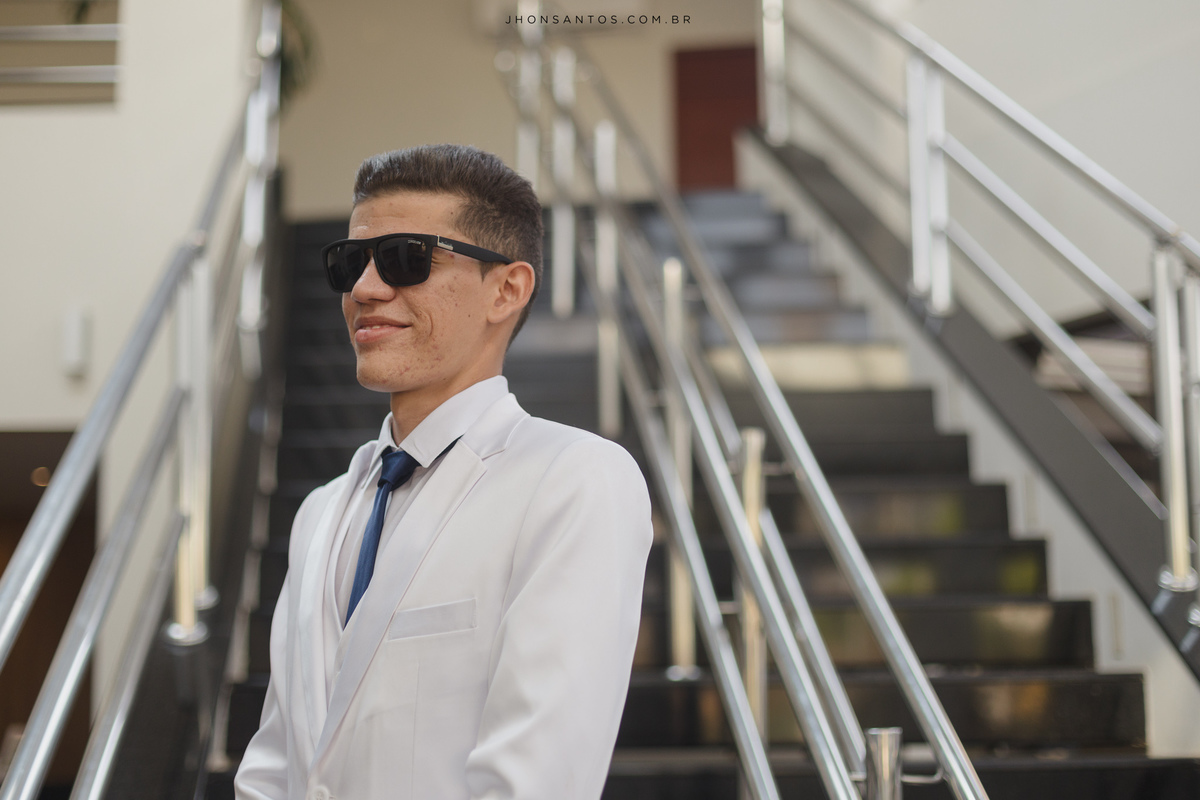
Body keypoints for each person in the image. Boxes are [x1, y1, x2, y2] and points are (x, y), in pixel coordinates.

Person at [234, 144, 653, 800]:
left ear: (506, 289)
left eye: (406, 258)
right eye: (351, 263)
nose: (365, 289)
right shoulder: (321, 512)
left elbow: (534, 783)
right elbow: (273, 767)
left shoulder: (574, 481)